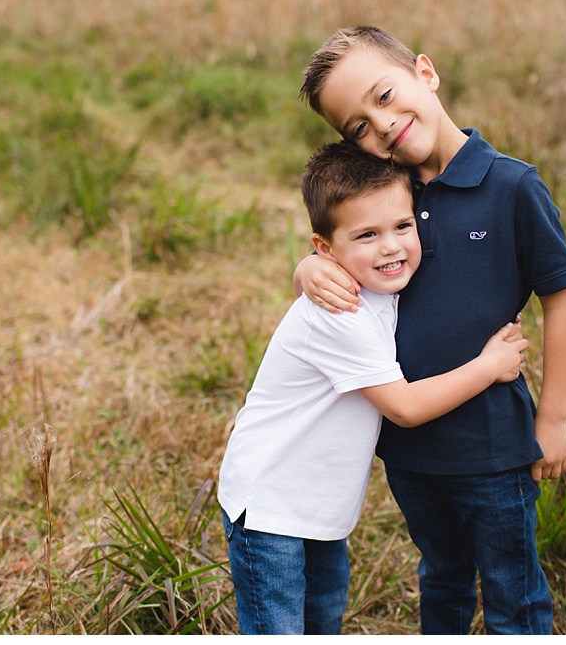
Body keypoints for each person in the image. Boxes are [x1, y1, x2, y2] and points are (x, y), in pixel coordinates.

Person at [294, 26, 566, 635]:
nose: (382, 124)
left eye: (384, 95)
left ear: (425, 72)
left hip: (494, 448)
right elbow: (345, 243)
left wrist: (553, 418)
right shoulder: (388, 195)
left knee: (514, 591)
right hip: (410, 451)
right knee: (443, 575)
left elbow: (562, 299)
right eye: (358, 129)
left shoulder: (511, 187)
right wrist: (309, 267)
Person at [218, 140, 530, 635]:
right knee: (279, 627)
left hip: (319, 507)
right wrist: (489, 365)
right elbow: (404, 407)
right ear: (326, 248)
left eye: (402, 227)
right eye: (367, 234)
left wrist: (307, 269)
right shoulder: (341, 314)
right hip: (271, 507)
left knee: (322, 619)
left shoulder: (381, 287)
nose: (390, 246)